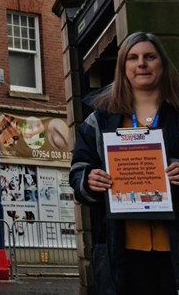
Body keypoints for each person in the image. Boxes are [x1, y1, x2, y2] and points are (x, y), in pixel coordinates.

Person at [70, 31, 179, 294]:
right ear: (123, 67)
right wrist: (89, 179)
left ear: (162, 65)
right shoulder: (100, 120)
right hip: (123, 252)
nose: (141, 63)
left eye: (149, 57)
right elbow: (78, 171)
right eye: (133, 57)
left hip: (173, 253)